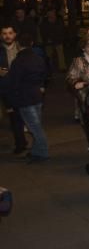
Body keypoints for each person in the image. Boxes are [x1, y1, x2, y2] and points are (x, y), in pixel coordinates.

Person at [3, 33, 49, 164]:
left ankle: (43, 152)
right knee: (36, 125)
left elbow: (13, 83)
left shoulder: (18, 62)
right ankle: (36, 151)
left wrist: (10, 102)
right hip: (37, 96)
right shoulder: (38, 58)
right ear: (32, 44)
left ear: (18, 45)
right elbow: (44, 75)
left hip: (25, 99)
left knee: (35, 128)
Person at [0, 24, 26, 154]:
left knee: (22, 117)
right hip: (6, 89)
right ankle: (20, 143)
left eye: (10, 33)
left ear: (15, 34)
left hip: (22, 88)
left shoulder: (22, 48)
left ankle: (24, 143)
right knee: (13, 118)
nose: (7, 36)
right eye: (4, 33)